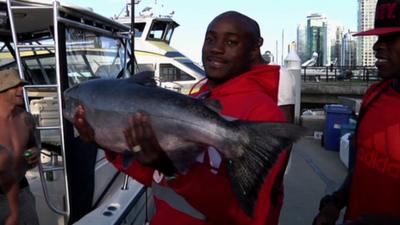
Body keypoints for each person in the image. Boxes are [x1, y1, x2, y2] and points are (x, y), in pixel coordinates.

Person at [74, 11, 288, 225]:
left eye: (231, 42)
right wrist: (109, 143)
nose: (216, 48)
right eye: (210, 39)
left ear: (254, 49)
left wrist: (172, 170)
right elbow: (155, 180)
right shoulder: (194, 101)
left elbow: (250, 216)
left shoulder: (265, 113)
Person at [313, 0, 400, 224]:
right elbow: (362, 166)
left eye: (390, 38)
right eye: (379, 38)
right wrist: (336, 201)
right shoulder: (373, 95)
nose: (377, 46)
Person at [0, 69, 40, 225]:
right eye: (15, 86)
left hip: (23, 191)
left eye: (22, 86)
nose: (21, 90)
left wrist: (36, 151)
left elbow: (36, 145)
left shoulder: (26, 118)